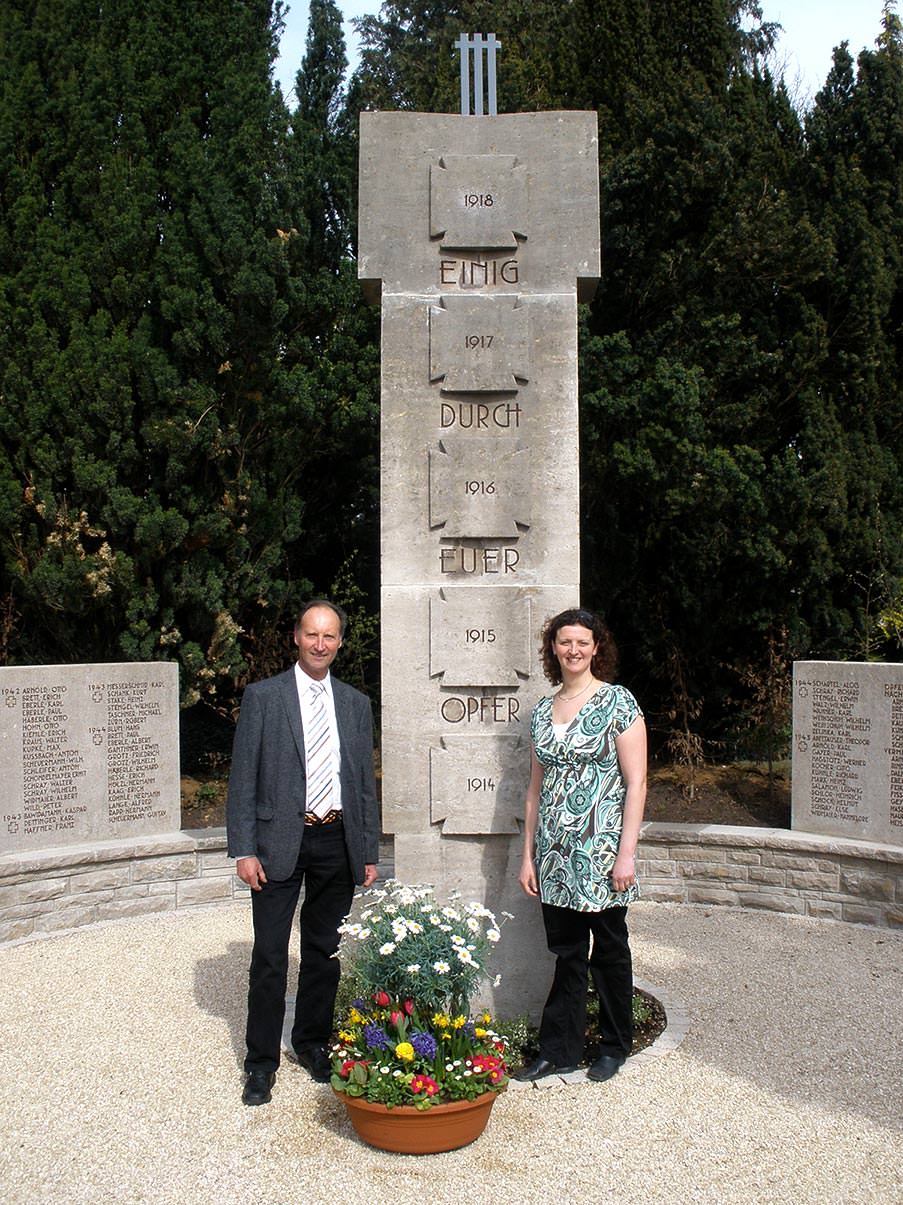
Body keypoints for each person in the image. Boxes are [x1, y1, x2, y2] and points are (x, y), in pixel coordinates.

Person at [226, 599, 380, 1106]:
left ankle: (312, 1042)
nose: (320, 644)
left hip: (336, 841)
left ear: (339, 642)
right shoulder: (264, 697)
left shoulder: (355, 705)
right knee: (270, 956)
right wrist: (244, 848)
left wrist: (367, 851)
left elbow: (361, 785)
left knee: (324, 953)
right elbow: (243, 777)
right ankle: (260, 1062)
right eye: (312, 634)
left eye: (330, 636)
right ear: (297, 637)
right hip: (277, 846)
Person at [516, 607, 647, 1084]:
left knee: (609, 949)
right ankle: (561, 1049)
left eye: (582, 642)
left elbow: (637, 784)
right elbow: (535, 791)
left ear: (597, 647)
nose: (573, 650)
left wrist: (625, 854)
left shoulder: (617, 703)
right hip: (554, 853)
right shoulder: (541, 712)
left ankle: (615, 1044)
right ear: (553, 648)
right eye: (564, 641)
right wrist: (527, 856)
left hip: (602, 849)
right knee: (567, 951)